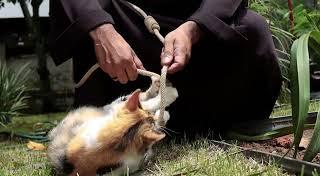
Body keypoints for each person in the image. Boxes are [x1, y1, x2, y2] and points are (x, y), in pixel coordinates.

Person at [48, 0, 282, 135]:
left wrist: (194, 28)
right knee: (92, 19)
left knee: (252, 28)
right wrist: (101, 31)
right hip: (126, 31)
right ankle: (120, 129)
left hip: (199, 31)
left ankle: (229, 123)